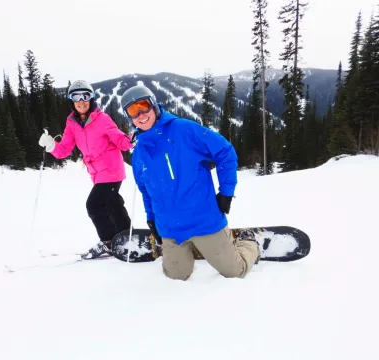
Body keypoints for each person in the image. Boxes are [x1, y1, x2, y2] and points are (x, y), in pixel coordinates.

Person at [120, 85, 260, 281]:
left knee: (235, 271)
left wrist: (226, 192)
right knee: (176, 277)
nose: (141, 114)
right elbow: (145, 191)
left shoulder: (184, 130)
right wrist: (151, 220)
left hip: (204, 220)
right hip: (170, 228)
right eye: (133, 111)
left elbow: (225, 152)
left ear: (154, 105)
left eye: (143, 106)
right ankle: (192, 250)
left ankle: (247, 242)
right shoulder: (139, 154)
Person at [39, 80, 134, 259]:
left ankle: (108, 242)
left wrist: (131, 140)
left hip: (111, 170)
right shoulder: (72, 123)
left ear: (91, 99)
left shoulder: (103, 119)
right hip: (97, 173)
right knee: (113, 203)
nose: (81, 101)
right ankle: (125, 236)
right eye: (76, 97)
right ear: (72, 101)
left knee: (95, 205)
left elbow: (119, 139)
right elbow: (65, 150)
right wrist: (51, 146)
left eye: (85, 96)